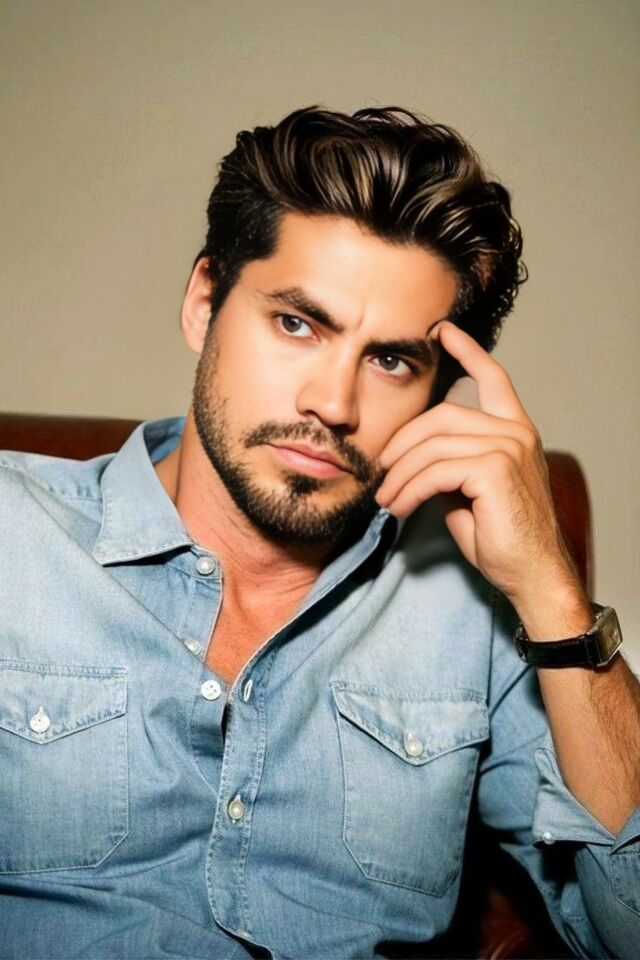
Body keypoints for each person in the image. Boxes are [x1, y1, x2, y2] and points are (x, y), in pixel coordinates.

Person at [0, 105, 638, 960]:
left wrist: (551, 589)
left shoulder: (473, 614)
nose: (332, 404)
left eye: (391, 361)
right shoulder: (13, 538)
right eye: (297, 324)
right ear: (203, 303)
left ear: (438, 396)